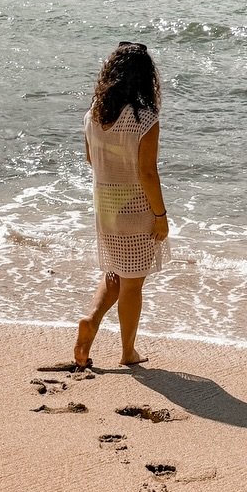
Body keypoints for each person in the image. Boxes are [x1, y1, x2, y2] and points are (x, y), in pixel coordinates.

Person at [73, 41, 169, 368]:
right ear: (145, 78)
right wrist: (160, 216)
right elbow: (147, 172)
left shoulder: (93, 115)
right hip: (134, 209)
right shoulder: (145, 120)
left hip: (105, 206)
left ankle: (91, 318)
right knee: (133, 283)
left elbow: (90, 159)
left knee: (115, 272)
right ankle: (128, 352)